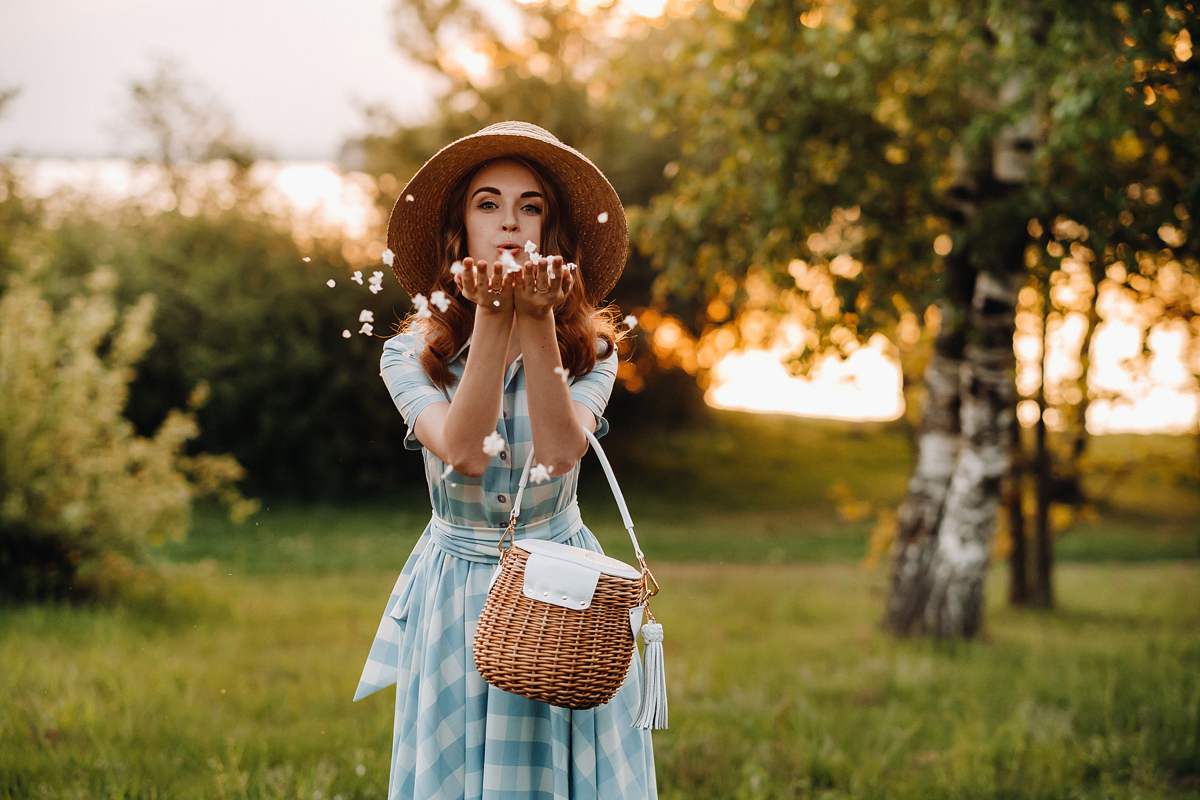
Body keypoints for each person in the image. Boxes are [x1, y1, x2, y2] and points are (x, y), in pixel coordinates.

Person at [353, 121, 657, 800]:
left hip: (561, 587)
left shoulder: (593, 352)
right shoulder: (410, 355)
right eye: (487, 204)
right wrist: (492, 319)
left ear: (552, 233)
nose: (510, 222)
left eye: (531, 206)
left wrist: (536, 322)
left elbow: (557, 451)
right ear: (461, 229)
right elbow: (460, 451)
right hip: (458, 585)